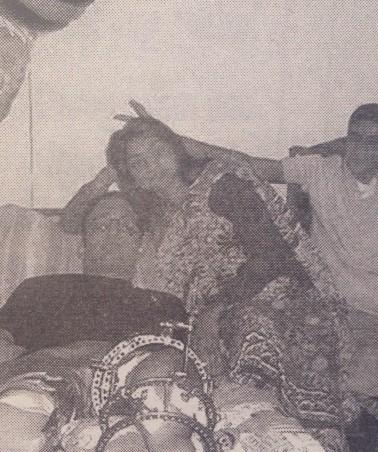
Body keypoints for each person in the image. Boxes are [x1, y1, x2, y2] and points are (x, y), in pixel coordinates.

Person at [124, 100, 378, 396]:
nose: (360, 149)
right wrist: (175, 140)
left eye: (373, 142)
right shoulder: (319, 170)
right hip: (354, 310)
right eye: (355, 137)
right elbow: (249, 164)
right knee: (358, 373)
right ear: (346, 138)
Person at [66, 111, 354, 450]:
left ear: (177, 150)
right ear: (131, 175)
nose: (153, 165)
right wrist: (109, 172)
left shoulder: (221, 185)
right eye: (139, 162)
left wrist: (213, 312)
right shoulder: (150, 214)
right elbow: (71, 222)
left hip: (275, 299)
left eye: (158, 151)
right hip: (204, 323)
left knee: (250, 328)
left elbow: (271, 256)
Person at [0, 191, 190, 452]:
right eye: (102, 225)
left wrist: (119, 366)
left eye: (126, 226)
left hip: (135, 390)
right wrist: (64, 358)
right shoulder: (40, 289)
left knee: (155, 422)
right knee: (0, 428)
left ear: (140, 245)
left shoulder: (166, 303)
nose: (114, 230)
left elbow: (183, 368)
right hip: (51, 376)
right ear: (81, 246)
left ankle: (118, 430)